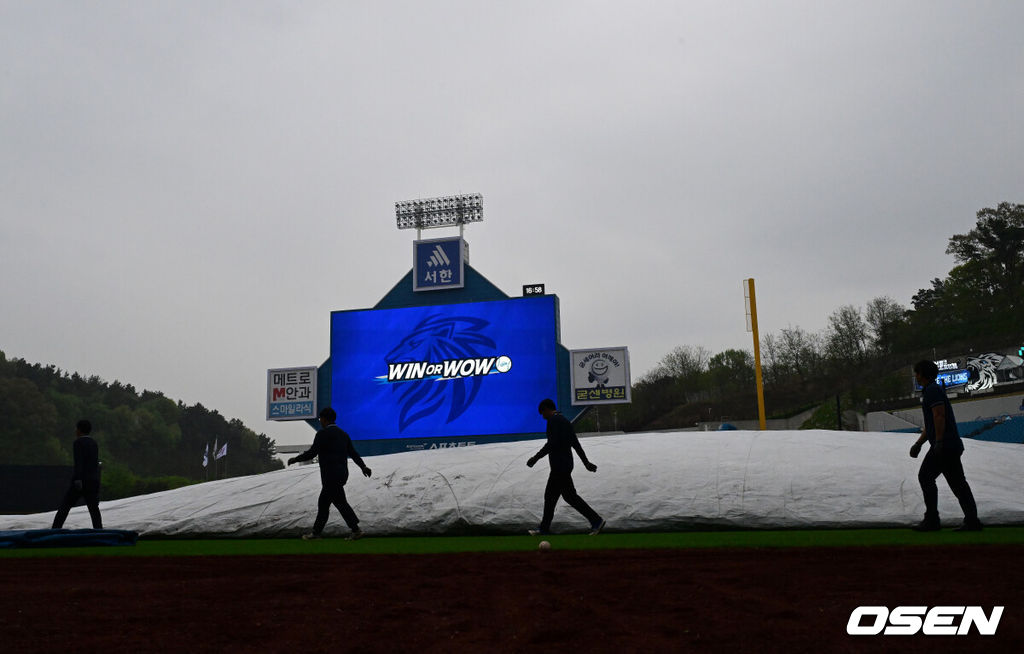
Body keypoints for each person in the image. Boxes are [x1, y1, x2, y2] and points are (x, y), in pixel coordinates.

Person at [909, 360, 982, 532]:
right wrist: (919, 443)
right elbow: (932, 422)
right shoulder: (932, 390)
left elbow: (939, 416)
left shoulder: (932, 391)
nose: (916, 376)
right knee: (958, 483)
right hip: (950, 444)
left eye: (917, 373)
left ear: (923, 374)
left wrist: (939, 442)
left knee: (925, 477)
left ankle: (932, 520)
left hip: (945, 445)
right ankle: (972, 521)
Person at [288, 407, 372, 540]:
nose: (320, 421)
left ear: (325, 419)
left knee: (339, 503)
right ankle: (317, 533)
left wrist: (295, 459)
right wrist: (363, 467)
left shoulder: (322, 434)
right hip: (342, 474)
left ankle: (356, 530)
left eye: (320, 418)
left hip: (329, 476)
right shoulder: (344, 434)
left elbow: (312, 453)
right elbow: (353, 454)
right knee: (324, 503)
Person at [527, 398, 606, 536]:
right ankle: (595, 521)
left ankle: (596, 520)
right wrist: (586, 462)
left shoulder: (553, 421)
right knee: (565, 497)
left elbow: (551, 444)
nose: (543, 417)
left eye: (542, 413)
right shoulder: (565, 421)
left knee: (554, 496)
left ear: (546, 409)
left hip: (559, 466)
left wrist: (535, 458)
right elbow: (576, 444)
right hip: (566, 464)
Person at [52, 419, 103, 529]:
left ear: (79, 430)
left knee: (65, 506)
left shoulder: (78, 443)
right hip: (92, 481)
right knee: (94, 509)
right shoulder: (94, 443)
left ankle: (55, 529)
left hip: (81, 481)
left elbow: (79, 462)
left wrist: (78, 479)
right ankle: (99, 531)